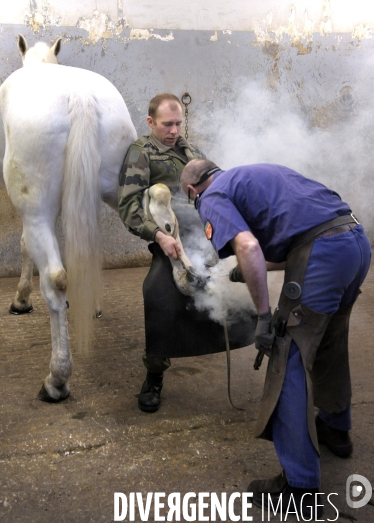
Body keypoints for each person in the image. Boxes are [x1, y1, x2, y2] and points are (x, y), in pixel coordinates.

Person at [181, 158, 371, 518]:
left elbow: (251, 247)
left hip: (323, 255)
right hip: (355, 244)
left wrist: (266, 317)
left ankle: (299, 486)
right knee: (330, 340)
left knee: (287, 355)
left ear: (192, 190)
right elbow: (293, 239)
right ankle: (335, 428)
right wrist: (246, 266)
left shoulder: (210, 196)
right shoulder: (256, 173)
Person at [118, 93, 206, 413]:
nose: (174, 130)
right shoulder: (141, 154)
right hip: (171, 242)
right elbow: (129, 208)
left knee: (241, 279)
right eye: (167, 124)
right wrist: (158, 236)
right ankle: (154, 376)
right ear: (150, 122)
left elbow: (216, 185)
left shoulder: (190, 150)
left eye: (178, 123)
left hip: (204, 237)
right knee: (157, 294)